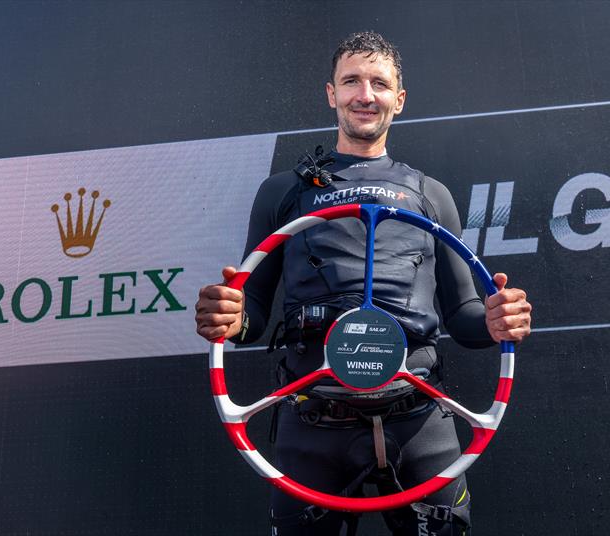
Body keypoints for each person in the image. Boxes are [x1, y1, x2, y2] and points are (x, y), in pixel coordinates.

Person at [196, 31, 532, 536]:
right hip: (313, 422)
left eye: (379, 83)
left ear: (399, 98)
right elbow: (256, 315)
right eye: (351, 81)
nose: (365, 95)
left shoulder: (431, 196)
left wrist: (494, 321)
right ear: (331, 94)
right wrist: (231, 319)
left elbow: (464, 316)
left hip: (418, 417)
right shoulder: (283, 192)